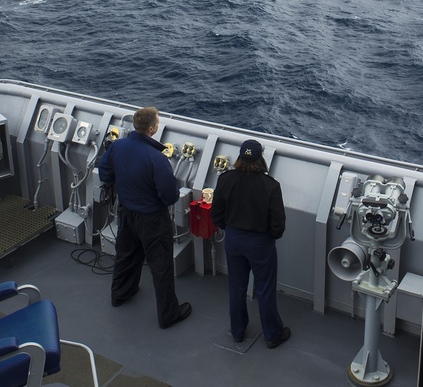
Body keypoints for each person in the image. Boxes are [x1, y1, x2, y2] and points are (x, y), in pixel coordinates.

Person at [98, 106, 192, 329]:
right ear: (152, 128)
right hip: (152, 219)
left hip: (127, 213)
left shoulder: (118, 146)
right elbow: (169, 196)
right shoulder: (156, 158)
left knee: (126, 254)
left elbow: (105, 173)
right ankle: (168, 314)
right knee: (161, 265)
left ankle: (120, 294)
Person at [210, 139, 291, 349]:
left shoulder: (225, 179)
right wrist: (271, 236)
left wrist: (229, 228)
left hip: (234, 239)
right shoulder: (271, 186)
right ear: (260, 158)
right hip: (260, 243)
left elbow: (216, 213)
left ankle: (237, 331)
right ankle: (272, 334)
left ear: (240, 157)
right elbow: (278, 223)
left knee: (236, 287)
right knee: (264, 289)